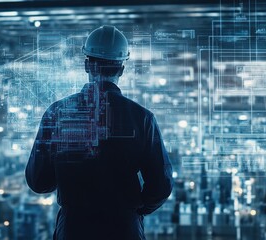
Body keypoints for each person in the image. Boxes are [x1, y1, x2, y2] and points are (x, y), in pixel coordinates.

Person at [26, 25, 173, 240]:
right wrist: (133, 210)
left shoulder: (57, 113)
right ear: (121, 69)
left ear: (87, 65)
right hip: (124, 229)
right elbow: (160, 185)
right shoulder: (142, 118)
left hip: (74, 229)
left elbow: (38, 181)